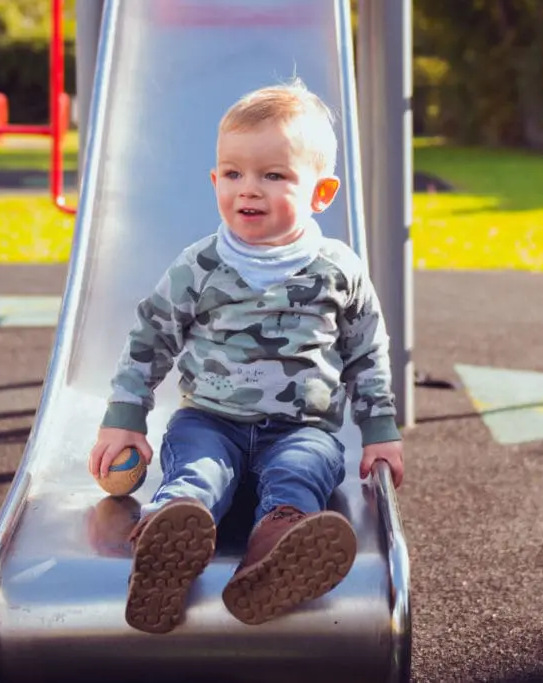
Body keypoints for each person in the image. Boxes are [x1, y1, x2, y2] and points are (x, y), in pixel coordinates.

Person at [87, 78, 405, 635]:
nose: (248, 190)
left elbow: (366, 351)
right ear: (215, 179)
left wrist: (379, 427)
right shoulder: (200, 266)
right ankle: (169, 535)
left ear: (321, 193)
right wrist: (125, 417)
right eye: (233, 174)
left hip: (302, 428)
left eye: (273, 175)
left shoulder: (338, 269)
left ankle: (277, 549)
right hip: (211, 419)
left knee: (299, 472)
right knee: (197, 470)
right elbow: (151, 335)